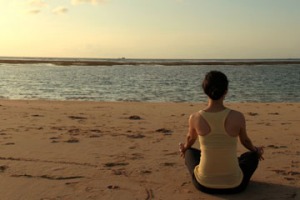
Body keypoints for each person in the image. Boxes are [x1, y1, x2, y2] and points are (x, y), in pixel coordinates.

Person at [179, 70, 264, 194]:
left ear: (205, 91)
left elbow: (190, 140)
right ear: (226, 91)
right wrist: (256, 151)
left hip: (204, 184)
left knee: (189, 152)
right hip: (235, 185)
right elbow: (245, 141)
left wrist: (184, 148)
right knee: (251, 156)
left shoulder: (195, 117)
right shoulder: (237, 116)